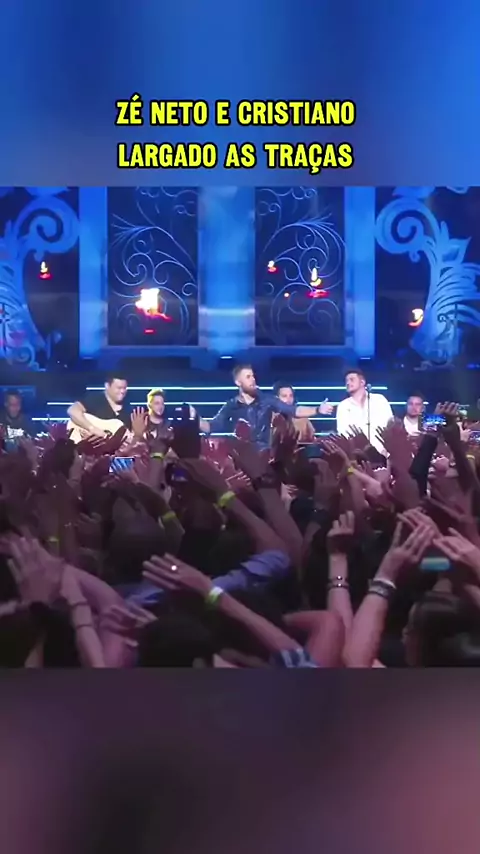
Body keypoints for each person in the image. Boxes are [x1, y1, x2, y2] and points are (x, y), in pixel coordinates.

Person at [199, 365, 332, 448]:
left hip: (265, 455)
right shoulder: (231, 406)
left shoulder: (267, 400)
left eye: (253, 376)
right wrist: (194, 417)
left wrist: (317, 409)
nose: (253, 379)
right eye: (248, 377)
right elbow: (211, 427)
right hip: (242, 457)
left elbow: (294, 410)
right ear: (238, 382)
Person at [336, 369, 393, 453]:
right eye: (346, 381)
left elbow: (390, 424)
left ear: (362, 382)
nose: (348, 383)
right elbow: (343, 433)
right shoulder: (343, 406)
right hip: (356, 454)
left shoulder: (379, 400)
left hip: (382, 452)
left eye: (352, 380)